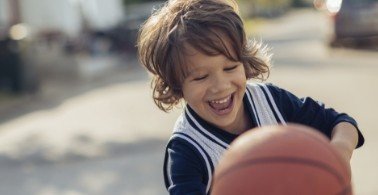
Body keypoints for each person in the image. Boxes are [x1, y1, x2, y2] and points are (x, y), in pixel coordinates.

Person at [137, 0, 365, 194]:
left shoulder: (271, 100)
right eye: (200, 77)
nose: (220, 86)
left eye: (230, 68)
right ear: (177, 85)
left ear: (244, 63)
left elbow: (342, 123)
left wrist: (336, 158)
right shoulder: (186, 152)